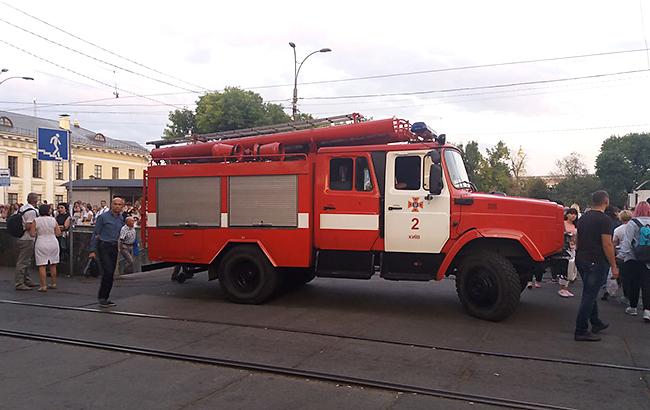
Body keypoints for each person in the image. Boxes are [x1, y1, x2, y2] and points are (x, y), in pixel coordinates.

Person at [573, 190, 618, 342]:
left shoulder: (583, 218)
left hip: (582, 259)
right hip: (596, 261)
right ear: (606, 201)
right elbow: (607, 244)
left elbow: (578, 239)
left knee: (589, 292)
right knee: (589, 295)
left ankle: (596, 322)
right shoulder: (604, 220)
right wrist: (613, 265)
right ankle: (581, 329)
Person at [89, 197, 125, 308]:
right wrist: (92, 250)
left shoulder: (121, 218)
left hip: (114, 246)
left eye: (120, 204)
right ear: (111, 205)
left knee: (111, 274)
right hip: (104, 245)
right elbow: (95, 233)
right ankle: (102, 297)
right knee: (108, 272)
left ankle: (105, 297)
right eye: (115, 204)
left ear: (122, 206)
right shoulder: (103, 217)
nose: (117, 206)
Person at [618, 201, 650, 321]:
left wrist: (622, 255)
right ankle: (647, 311)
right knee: (647, 283)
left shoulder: (633, 223)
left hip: (633, 257)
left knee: (634, 282)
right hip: (648, 258)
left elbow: (627, 241)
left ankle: (633, 307)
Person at [29, 204, 61, 292]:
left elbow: (32, 233)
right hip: (53, 242)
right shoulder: (53, 220)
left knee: (42, 265)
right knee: (53, 264)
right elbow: (58, 233)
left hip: (41, 242)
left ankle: (43, 286)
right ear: (48, 211)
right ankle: (54, 283)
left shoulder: (36, 220)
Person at [14, 193, 39, 291]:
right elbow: (29, 226)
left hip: (21, 237)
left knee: (26, 260)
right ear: (35, 200)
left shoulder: (22, 208)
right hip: (27, 238)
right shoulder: (32, 212)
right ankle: (19, 282)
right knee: (23, 261)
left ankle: (27, 280)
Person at [613, 209, 633, 302]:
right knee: (633, 276)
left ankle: (626, 295)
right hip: (633, 254)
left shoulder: (618, 230)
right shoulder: (635, 227)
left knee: (624, 276)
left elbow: (614, 243)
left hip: (621, 254)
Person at [558, 208, 578, 297]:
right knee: (565, 268)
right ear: (567, 214)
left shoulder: (575, 225)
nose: (573, 216)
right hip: (565, 248)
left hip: (573, 248)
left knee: (571, 270)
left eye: (575, 214)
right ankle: (562, 288)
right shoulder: (563, 224)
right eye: (571, 214)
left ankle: (566, 288)